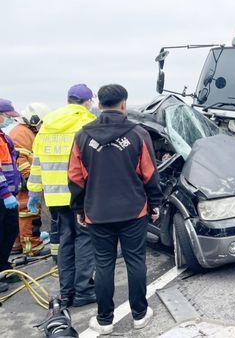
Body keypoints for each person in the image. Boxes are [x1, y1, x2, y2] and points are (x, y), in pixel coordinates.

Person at [68, 84, 163, 334]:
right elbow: (150, 173)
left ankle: (104, 320)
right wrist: (155, 203)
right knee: (135, 261)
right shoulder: (138, 133)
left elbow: (75, 178)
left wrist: (79, 209)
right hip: (134, 211)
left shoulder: (82, 136)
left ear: (99, 105)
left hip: (97, 212)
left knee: (104, 264)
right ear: (124, 104)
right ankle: (140, 315)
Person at [28, 84, 97, 307]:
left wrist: (34, 192)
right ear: (87, 102)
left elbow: (36, 163)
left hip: (55, 197)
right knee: (85, 240)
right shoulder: (86, 123)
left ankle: (66, 292)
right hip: (80, 195)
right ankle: (84, 290)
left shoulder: (47, 125)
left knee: (66, 241)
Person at [9, 103, 52, 256]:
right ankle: (32, 246)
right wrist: (29, 178)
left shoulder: (22, 131)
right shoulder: (23, 133)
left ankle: (16, 244)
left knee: (17, 213)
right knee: (28, 213)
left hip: (18, 181)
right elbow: (19, 158)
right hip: (24, 181)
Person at [0, 126, 20, 292]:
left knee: (10, 230)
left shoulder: (3, 137)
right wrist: (5, 192)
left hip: (8, 195)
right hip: (3, 195)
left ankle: (3, 268)